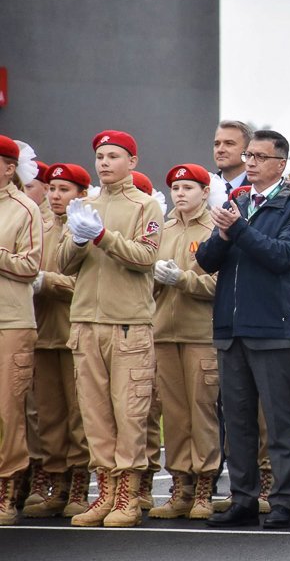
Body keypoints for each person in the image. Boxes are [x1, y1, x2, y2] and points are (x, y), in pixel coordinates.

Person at [198, 130, 290, 530]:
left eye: (260, 157)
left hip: (272, 328)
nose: (250, 162)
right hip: (231, 328)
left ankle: (282, 501)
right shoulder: (238, 202)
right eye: (248, 155)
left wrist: (240, 231)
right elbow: (207, 261)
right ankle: (243, 498)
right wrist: (225, 233)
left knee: (280, 423)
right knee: (238, 421)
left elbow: (283, 257)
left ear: (280, 165)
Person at [57, 131, 163, 528]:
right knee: (96, 415)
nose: (104, 163)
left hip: (127, 324)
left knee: (129, 412)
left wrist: (102, 236)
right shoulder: (83, 204)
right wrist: (81, 239)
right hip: (86, 322)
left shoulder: (145, 205)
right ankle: (105, 494)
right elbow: (65, 264)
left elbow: (145, 257)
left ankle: (128, 498)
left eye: (113, 155)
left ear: (132, 162)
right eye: (100, 156)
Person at [146, 165, 221, 521]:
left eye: (188, 187)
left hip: (201, 333)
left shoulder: (215, 229)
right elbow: (146, 281)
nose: (180, 193)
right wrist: (156, 280)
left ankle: (205, 485)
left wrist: (182, 280)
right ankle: (181, 486)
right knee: (174, 416)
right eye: (175, 187)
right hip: (164, 332)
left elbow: (219, 286)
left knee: (202, 412)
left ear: (205, 193)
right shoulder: (162, 228)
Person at [21, 163, 92, 519]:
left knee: (78, 415)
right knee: (47, 416)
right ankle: (55, 482)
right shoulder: (41, 228)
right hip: (42, 333)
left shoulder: (85, 228)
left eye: (65, 189)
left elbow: (92, 286)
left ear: (81, 193)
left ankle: (79, 482)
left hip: (74, 333)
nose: (55, 195)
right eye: (52, 189)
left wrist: (47, 282)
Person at [0, 136, 44, 526]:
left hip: (11, 319)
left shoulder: (25, 208)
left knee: (8, 410)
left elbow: (30, 266)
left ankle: (9, 485)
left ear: (9, 167)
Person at [214, 120, 253, 194]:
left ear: (248, 149)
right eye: (217, 144)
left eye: (229, 143)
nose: (220, 150)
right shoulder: (204, 188)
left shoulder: (259, 189)